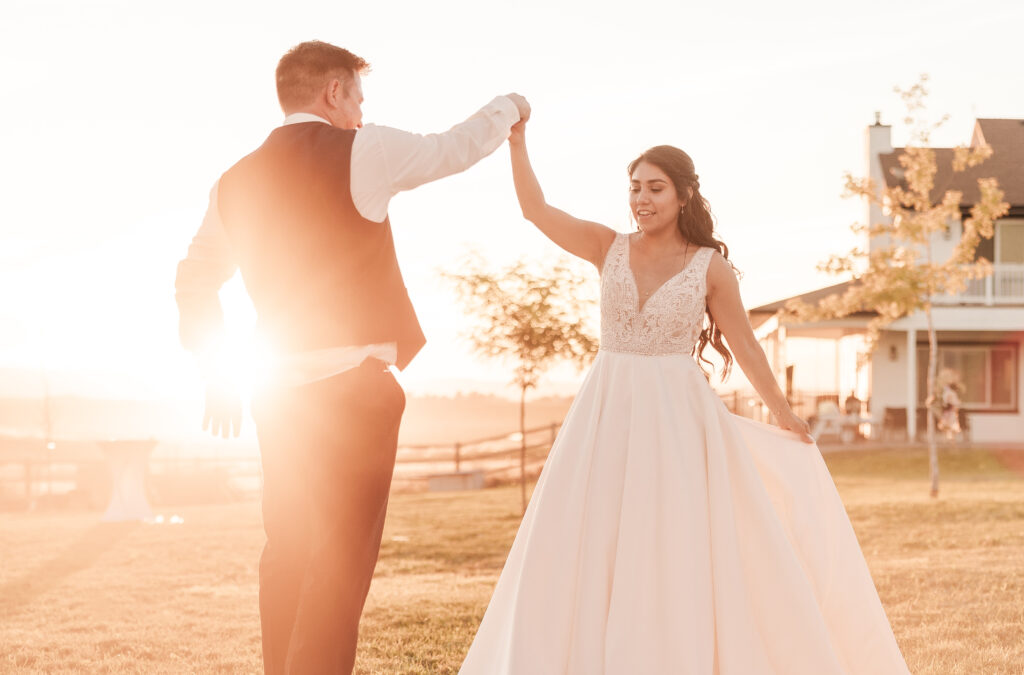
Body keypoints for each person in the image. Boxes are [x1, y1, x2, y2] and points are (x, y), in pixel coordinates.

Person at [459, 123, 910, 673]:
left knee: (670, 537)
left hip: (677, 416)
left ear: (683, 195)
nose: (640, 200)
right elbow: (535, 209)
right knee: (590, 532)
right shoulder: (608, 246)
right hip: (606, 410)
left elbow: (745, 346)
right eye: (634, 187)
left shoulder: (709, 267)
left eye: (654, 188)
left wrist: (784, 413)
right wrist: (517, 142)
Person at [174, 41, 528, 674]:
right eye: (359, 99)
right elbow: (453, 148)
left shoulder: (232, 182)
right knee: (340, 560)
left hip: (277, 397)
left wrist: (215, 371)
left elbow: (195, 281)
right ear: (332, 92)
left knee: (287, 550)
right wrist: (509, 106)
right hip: (353, 395)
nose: (363, 115)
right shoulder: (364, 150)